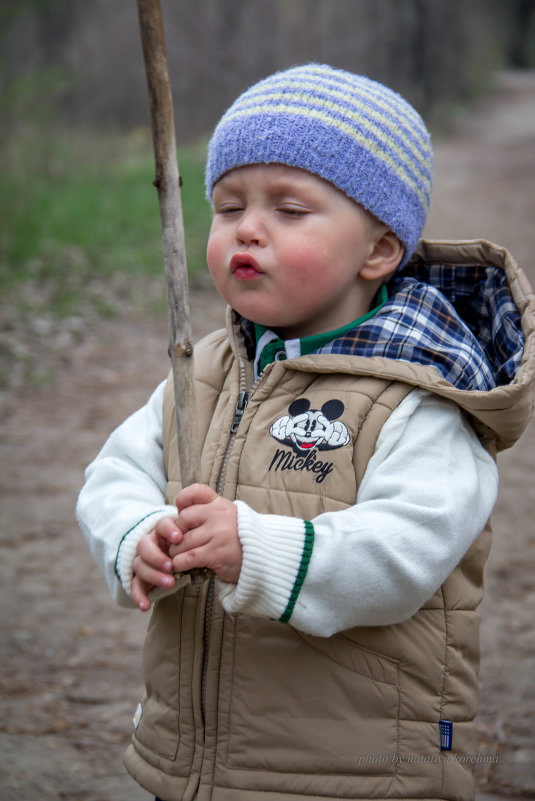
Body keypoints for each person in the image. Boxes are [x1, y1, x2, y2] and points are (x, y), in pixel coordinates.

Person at [77, 64, 534, 801]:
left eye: (290, 209)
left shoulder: (418, 396)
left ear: (378, 251)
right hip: (189, 758)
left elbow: (407, 551)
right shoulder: (204, 370)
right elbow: (116, 470)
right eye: (228, 207)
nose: (247, 228)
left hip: (357, 771)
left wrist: (256, 549)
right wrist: (137, 532)